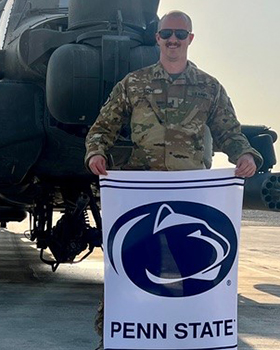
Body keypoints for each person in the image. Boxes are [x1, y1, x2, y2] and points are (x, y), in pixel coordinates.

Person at [85, 10, 263, 349]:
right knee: (128, 270)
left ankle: (185, 338)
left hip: (191, 194)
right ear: (157, 38)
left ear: (190, 40)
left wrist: (245, 155)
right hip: (140, 193)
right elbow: (102, 128)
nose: (173, 40)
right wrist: (96, 153)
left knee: (187, 275)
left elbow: (230, 132)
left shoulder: (209, 87)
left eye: (180, 35)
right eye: (166, 33)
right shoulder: (133, 84)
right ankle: (115, 336)